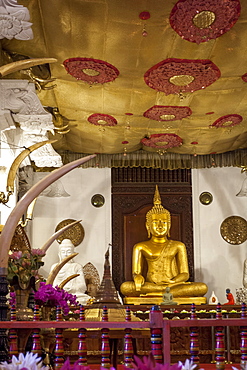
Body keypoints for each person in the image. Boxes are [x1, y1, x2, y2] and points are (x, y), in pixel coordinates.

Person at [120, 185, 208, 299]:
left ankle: (159, 294)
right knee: (125, 287)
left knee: (201, 287)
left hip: (173, 285)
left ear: (170, 225)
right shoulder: (140, 247)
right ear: (148, 226)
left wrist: (173, 281)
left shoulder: (178, 246)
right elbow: (136, 272)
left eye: (164, 222)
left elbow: (185, 274)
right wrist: (137, 277)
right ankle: (163, 293)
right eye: (156, 222)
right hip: (151, 285)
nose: (161, 226)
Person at [50, 238, 90, 305]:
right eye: (63, 252)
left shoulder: (77, 266)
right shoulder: (55, 267)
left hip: (75, 295)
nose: (65, 254)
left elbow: (83, 287)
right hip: (60, 296)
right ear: (59, 254)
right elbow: (52, 286)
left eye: (68, 252)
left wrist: (71, 288)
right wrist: (61, 290)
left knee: (84, 300)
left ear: (73, 253)